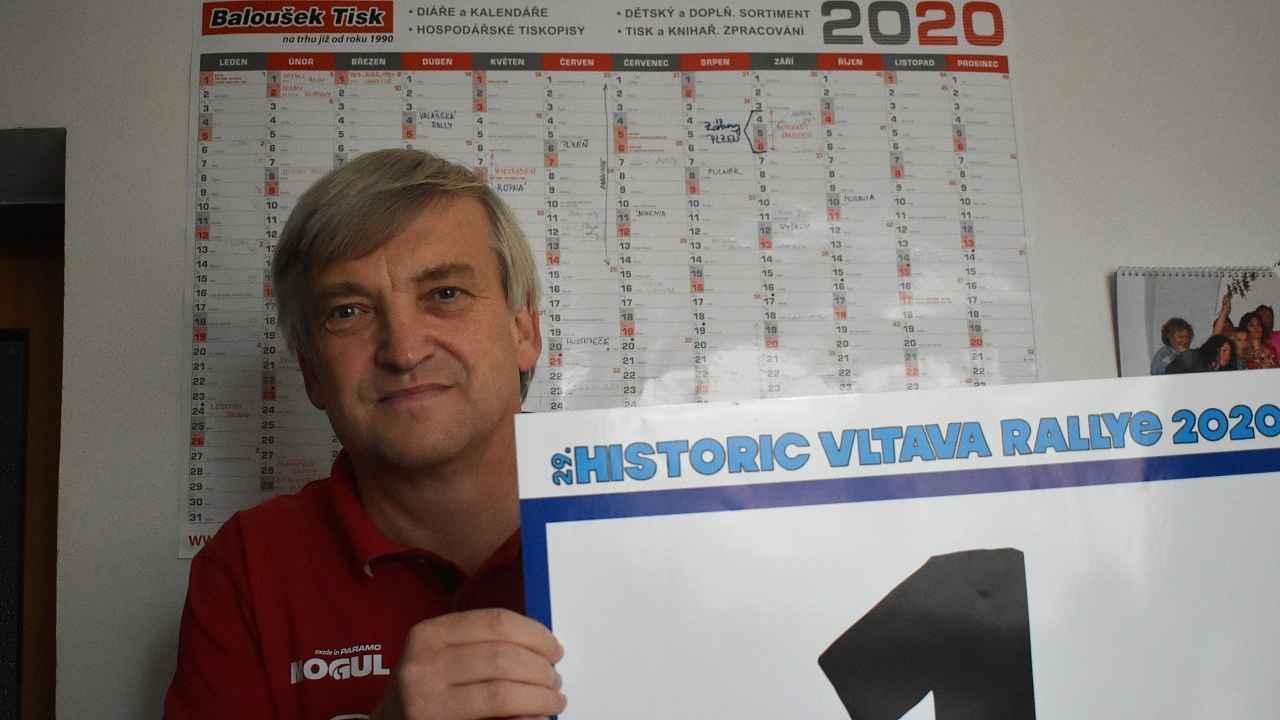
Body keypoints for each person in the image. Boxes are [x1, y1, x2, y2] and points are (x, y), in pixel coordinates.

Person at [165, 149, 567, 720]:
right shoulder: (248, 565)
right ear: (311, 372)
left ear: (523, 331)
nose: (403, 351)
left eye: (445, 294)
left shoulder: (651, 515)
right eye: (349, 312)